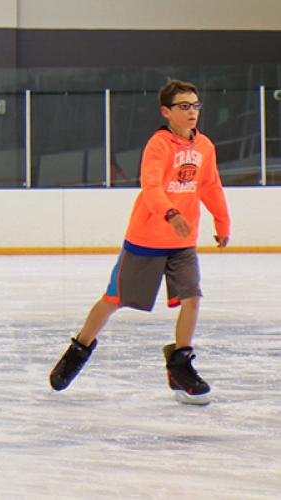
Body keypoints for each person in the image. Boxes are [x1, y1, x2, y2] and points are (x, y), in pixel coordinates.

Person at [49, 80, 231, 405]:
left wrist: (222, 221)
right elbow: (151, 186)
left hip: (182, 242)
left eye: (195, 106)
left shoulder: (205, 146)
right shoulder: (158, 145)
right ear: (167, 111)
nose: (192, 112)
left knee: (192, 298)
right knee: (114, 299)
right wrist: (171, 213)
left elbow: (210, 186)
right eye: (184, 106)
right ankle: (78, 349)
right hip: (146, 239)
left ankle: (180, 364)